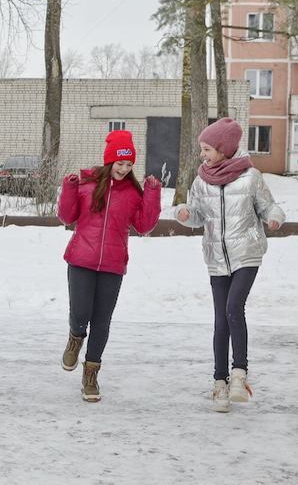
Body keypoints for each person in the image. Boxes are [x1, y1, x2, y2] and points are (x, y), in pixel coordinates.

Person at [175, 117, 285, 413]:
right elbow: (197, 214)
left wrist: (275, 217)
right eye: (202, 149)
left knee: (234, 308)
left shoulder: (250, 177)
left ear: (224, 149)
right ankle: (219, 384)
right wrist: (184, 212)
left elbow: (268, 206)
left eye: (207, 149)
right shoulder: (201, 180)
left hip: (246, 253)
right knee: (220, 319)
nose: (203, 154)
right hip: (216, 258)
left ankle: (239, 376)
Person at [58, 130, 161, 402]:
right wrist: (69, 189)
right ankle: (75, 339)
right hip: (81, 258)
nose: (124, 169)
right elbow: (66, 216)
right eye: (120, 163)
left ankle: (90, 376)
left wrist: (151, 194)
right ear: (109, 161)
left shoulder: (133, 192)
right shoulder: (87, 185)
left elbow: (144, 226)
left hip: (113, 264)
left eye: (129, 165)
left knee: (102, 322)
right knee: (80, 314)